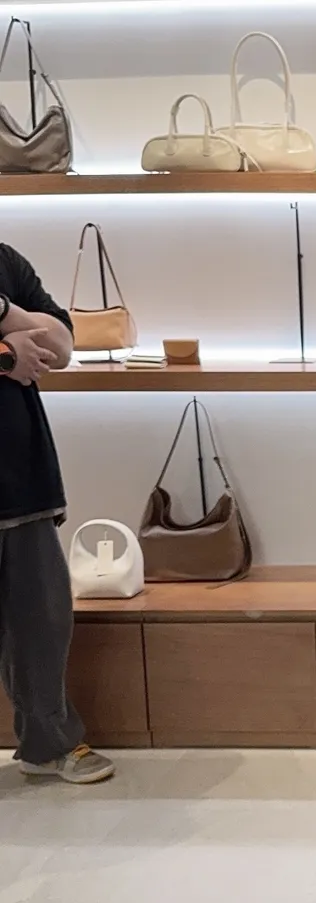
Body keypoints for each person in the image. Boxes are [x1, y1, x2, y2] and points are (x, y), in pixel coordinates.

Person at [0, 242, 113, 783]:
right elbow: (19, 352)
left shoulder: (5, 261)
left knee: (42, 623)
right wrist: (5, 353)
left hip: (24, 479)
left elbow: (61, 345)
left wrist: (3, 311)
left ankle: (48, 745)